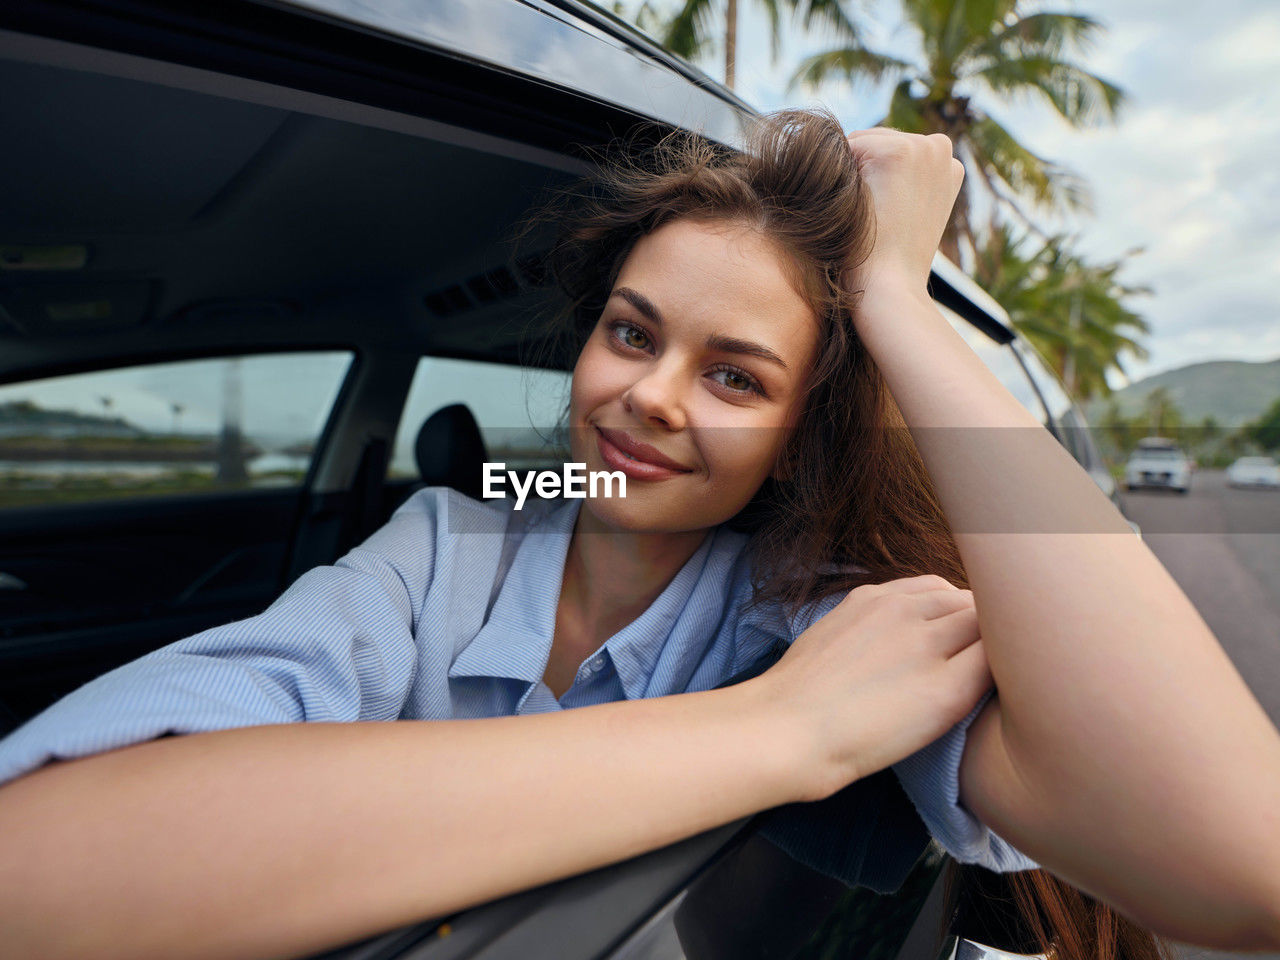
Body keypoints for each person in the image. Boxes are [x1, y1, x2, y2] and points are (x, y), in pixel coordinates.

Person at [0, 107, 1277, 960]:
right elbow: (37, 867)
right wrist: (778, 733)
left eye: (735, 378)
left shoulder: (820, 618)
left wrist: (893, 297)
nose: (649, 396)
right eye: (630, 331)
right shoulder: (458, 532)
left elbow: (1237, 856)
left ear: (800, 431)